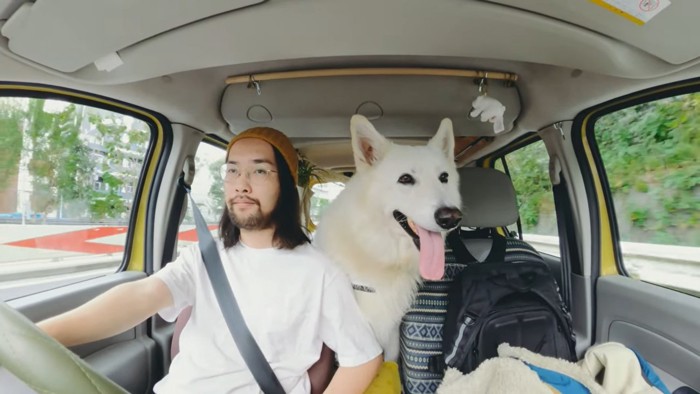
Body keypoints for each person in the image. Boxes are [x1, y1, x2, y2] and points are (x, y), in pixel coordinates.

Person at [38, 127, 384, 393]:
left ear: (286, 186)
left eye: (260, 171)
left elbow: (363, 358)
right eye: (232, 171)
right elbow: (141, 296)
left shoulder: (319, 272)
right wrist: (40, 335)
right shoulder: (205, 256)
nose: (242, 185)